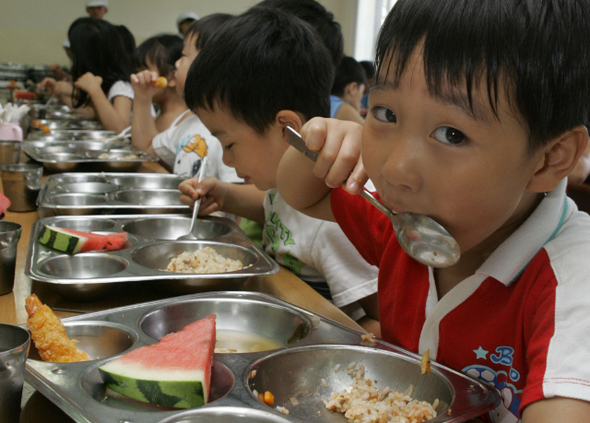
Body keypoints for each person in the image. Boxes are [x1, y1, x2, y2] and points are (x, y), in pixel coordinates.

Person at [276, 0, 590, 421]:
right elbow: (301, 194)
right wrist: (324, 143)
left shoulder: (571, 283)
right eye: (386, 113)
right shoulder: (403, 215)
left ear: (550, 159)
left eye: (452, 134)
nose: (396, 168)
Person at [178, 7, 380, 333]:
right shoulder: (284, 189)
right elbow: (272, 206)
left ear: (287, 130)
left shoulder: (330, 226)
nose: (228, 161)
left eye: (229, 145)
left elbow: (383, 320)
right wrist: (225, 195)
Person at [151, 13, 240, 183]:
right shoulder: (190, 122)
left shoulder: (230, 130)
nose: (176, 64)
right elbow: (147, 150)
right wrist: (142, 97)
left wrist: (219, 196)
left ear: (210, 65)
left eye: (184, 55)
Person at [40, 18, 134, 133]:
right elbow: (92, 114)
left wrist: (94, 90)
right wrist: (61, 94)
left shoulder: (121, 86)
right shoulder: (106, 81)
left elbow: (120, 129)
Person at [130, 34, 186, 155]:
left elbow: (148, 151)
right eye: (138, 70)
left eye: (144, 70)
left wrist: (142, 97)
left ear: (172, 77)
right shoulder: (161, 113)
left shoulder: (184, 121)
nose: (138, 76)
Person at [330, 56, 366, 124]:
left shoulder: (325, 102)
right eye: (362, 92)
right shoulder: (343, 109)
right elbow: (369, 133)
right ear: (352, 88)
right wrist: (356, 113)